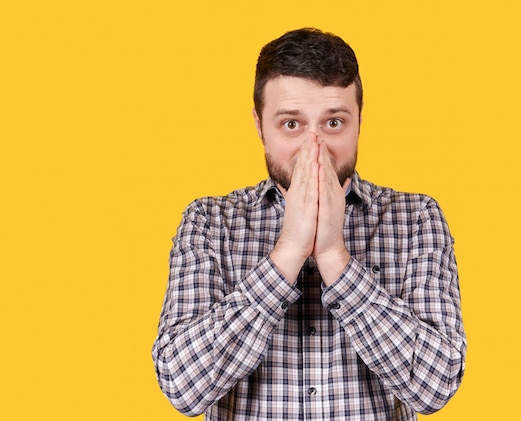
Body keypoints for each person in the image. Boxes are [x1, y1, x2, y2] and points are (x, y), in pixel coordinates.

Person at [152, 27, 466, 420]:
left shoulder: (416, 218)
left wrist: (335, 256)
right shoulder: (209, 223)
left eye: (333, 123)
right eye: (291, 124)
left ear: (359, 122)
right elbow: (183, 387)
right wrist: (289, 252)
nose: (312, 147)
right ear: (259, 125)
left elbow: (435, 386)